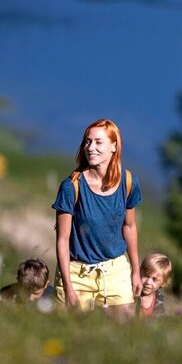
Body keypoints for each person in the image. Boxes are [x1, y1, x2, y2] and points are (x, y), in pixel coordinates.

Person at [52, 118, 143, 317]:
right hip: (77, 273)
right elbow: (62, 240)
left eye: (98, 142)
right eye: (87, 141)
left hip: (116, 271)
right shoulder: (71, 186)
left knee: (124, 330)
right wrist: (68, 287)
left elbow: (129, 227)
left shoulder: (129, 182)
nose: (90, 147)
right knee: (71, 331)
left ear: (114, 146)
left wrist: (136, 271)